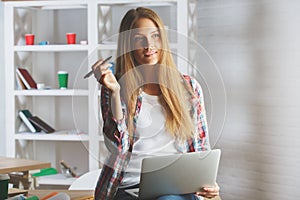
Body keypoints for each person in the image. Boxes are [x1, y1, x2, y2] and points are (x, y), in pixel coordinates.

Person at [92, 7, 220, 200]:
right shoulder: (114, 88)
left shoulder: (189, 88)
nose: (149, 45)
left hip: (179, 186)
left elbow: (200, 148)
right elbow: (118, 147)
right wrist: (116, 93)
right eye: (139, 39)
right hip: (130, 188)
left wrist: (209, 185)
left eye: (155, 36)